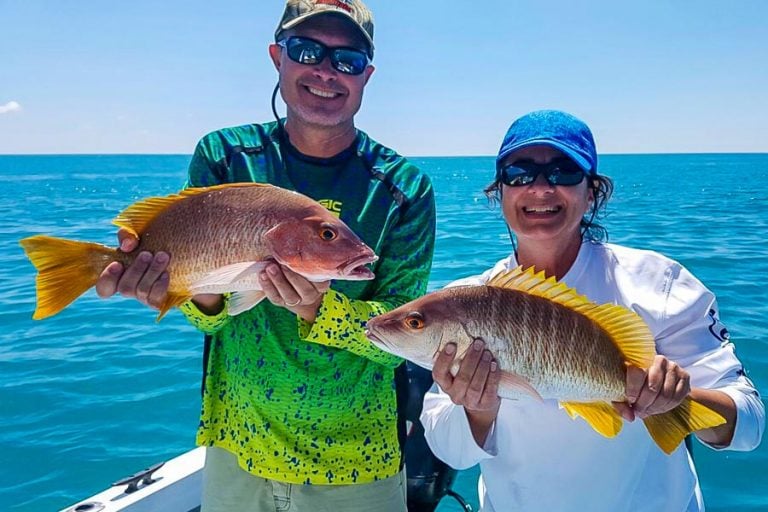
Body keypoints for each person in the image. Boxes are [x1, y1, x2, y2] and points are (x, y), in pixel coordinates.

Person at [95, 1, 436, 510]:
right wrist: (186, 291)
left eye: (346, 59)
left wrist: (317, 309)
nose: (326, 71)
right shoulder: (226, 157)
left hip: (356, 458)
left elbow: (403, 336)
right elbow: (209, 318)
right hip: (238, 447)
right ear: (278, 57)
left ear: (367, 75)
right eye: (307, 50)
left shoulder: (405, 188)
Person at [419, 110, 764, 511]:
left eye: (564, 172)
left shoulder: (659, 283)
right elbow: (451, 451)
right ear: (500, 193)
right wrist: (477, 410)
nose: (541, 188)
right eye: (520, 173)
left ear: (593, 192)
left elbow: (749, 423)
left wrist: (678, 397)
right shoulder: (466, 302)